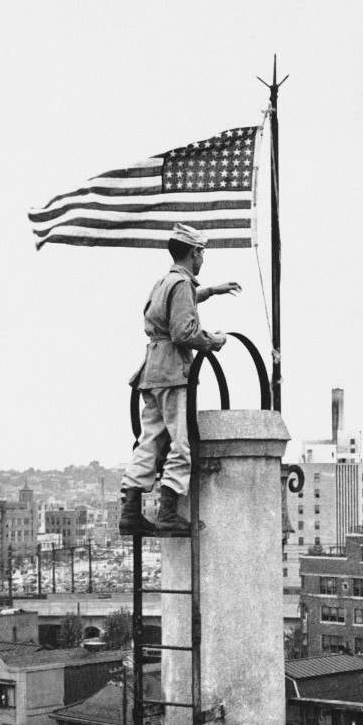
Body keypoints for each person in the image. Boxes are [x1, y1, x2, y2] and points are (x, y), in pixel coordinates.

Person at [119, 223, 241, 536]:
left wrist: (211, 291)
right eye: (201, 251)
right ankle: (168, 512)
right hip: (173, 372)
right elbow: (183, 332)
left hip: (152, 374)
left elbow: (173, 307)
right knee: (181, 444)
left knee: (148, 442)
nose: (203, 258)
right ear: (193, 252)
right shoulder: (181, 284)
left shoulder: (165, 281)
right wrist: (213, 341)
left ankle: (130, 510)